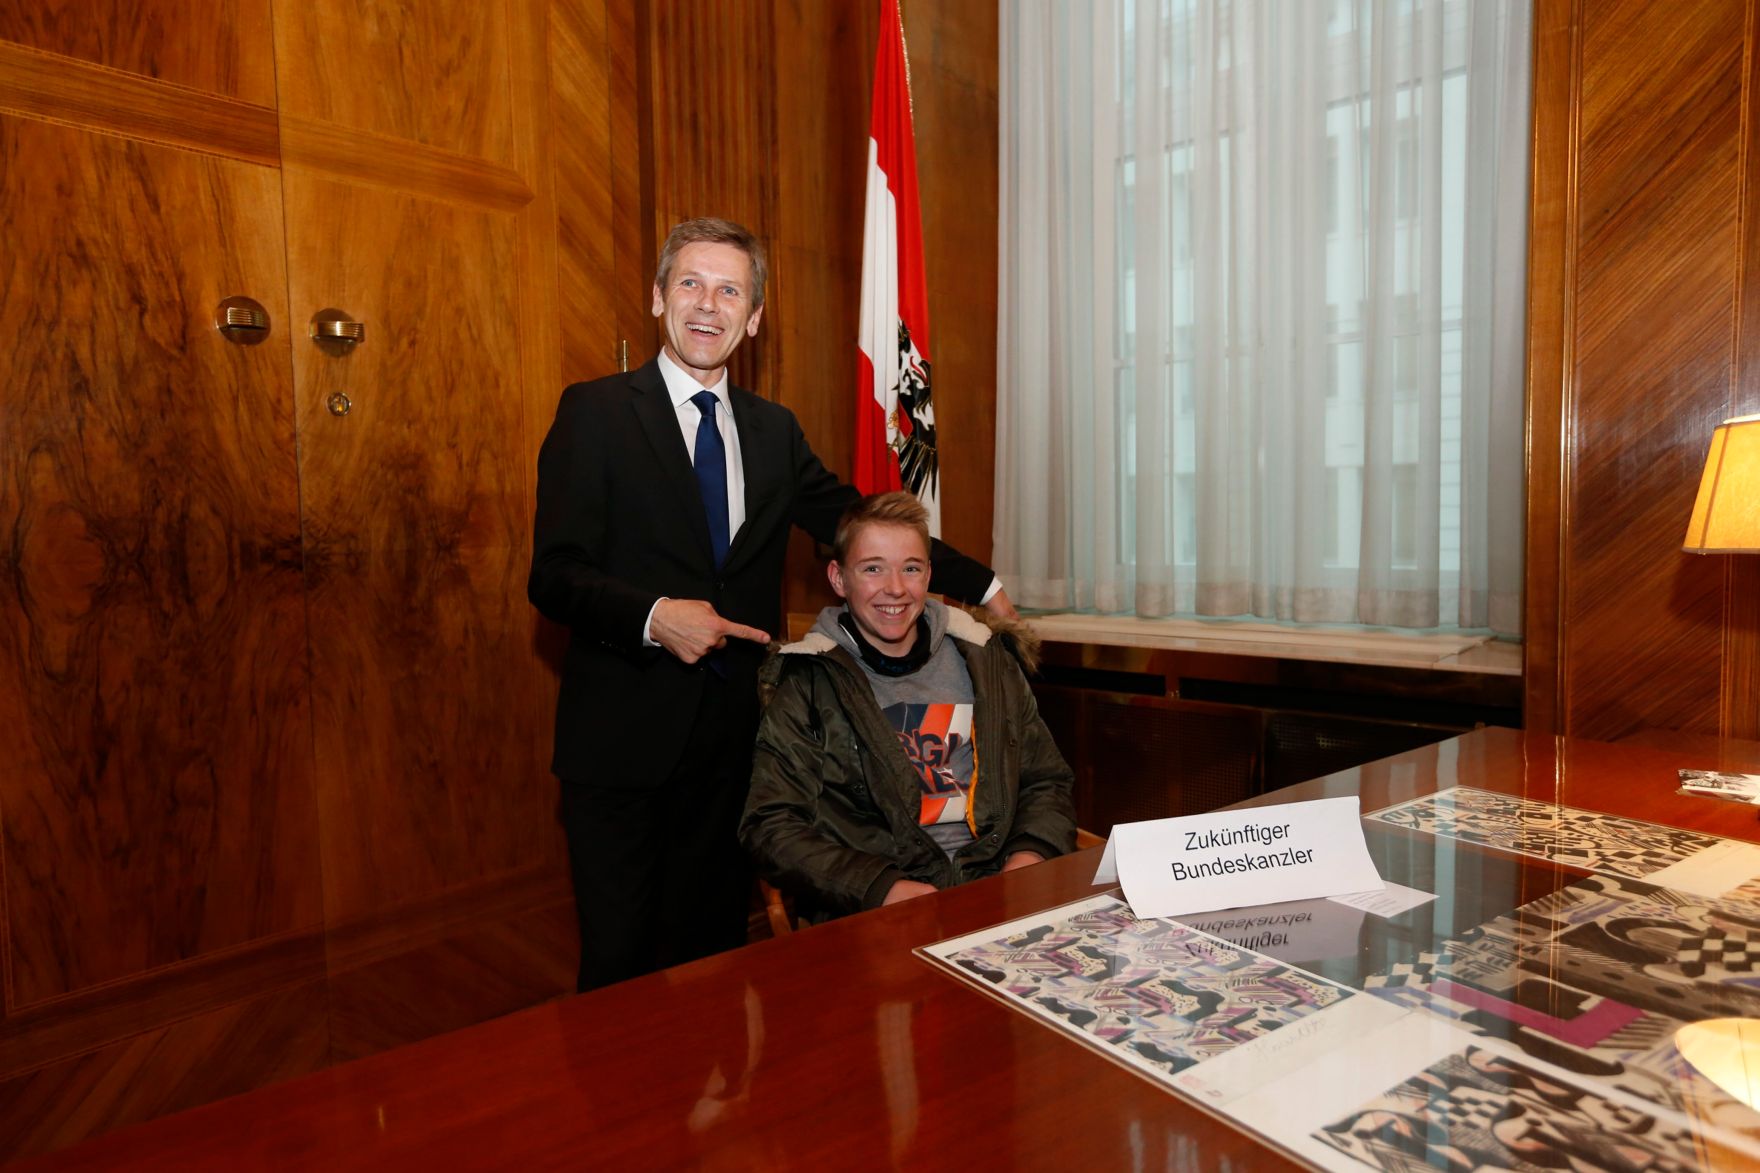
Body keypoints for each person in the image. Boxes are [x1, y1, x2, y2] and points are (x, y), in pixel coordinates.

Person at [528, 218, 1012, 990]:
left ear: (753, 318)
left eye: (730, 290)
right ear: (658, 298)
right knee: (620, 980)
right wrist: (657, 616)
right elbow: (553, 575)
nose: (707, 305)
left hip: (735, 755)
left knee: (715, 968)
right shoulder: (596, 412)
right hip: (622, 749)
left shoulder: (772, 431)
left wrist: (981, 583)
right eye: (690, 283)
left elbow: (861, 523)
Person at [741, 492, 1075, 921]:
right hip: (877, 915)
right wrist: (881, 887)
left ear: (929, 574)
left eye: (911, 568)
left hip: (998, 895)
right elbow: (771, 825)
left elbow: (1045, 780)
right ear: (839, 578)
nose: (895, 588)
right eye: (873, 568)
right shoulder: (806, 682)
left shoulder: (988, 660)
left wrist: (1030, 855)